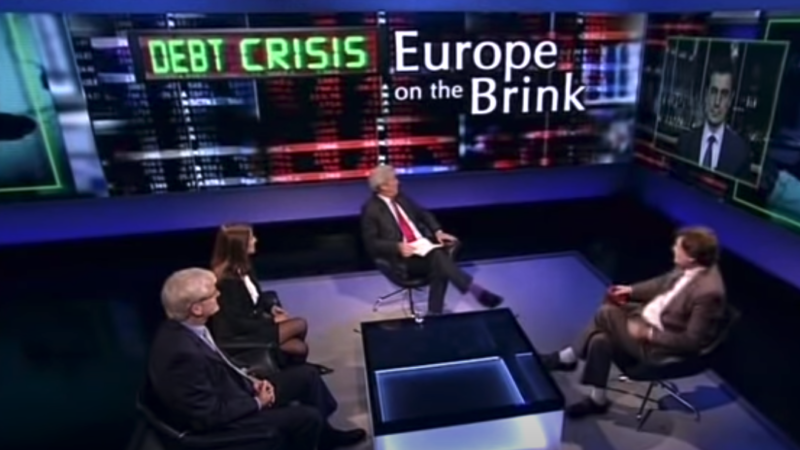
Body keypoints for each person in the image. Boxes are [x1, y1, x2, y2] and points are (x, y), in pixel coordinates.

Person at [148, 268, 366, 450]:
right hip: (224, 422)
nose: (218, 295)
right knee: (306, 418)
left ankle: (326, 436)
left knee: (307, 376)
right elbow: (209, 416)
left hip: (235, 392)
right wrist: (257, 402)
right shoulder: (183, 355)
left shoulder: (190, 327)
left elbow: (222, 365)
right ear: (196, 308)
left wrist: (252, 381)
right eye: (213, 293)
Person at [541, 226, 728, 419]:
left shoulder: (709, 293)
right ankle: (598, 400)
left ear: (691, 258)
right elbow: (661, 283)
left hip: (658, 346)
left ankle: (567, 358)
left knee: (606, 313)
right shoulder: (690, 266)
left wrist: (649, 334)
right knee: (600, 338)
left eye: (677, 247)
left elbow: (691, 341)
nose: (673, 249)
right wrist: (630, 290)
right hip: (645, 319)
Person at [360, 165, 503, 314]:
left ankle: (435, 312)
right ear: (383, 186)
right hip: (404, 257)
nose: (398, 182)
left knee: (440, 259)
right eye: (394, 179)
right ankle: (474, 291)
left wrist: (438, 232)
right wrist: (397, 247)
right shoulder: (371, 209)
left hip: (423, 246)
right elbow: (371, 243)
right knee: (439, 258)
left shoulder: (401, 197)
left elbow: (423, 214)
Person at [210, 223, 333, 374]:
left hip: (252, 327)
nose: (255, 240)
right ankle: (299, 371)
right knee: (300, 325)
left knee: (299, 347)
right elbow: (236, 322)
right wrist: (271, 321)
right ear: (239, 245)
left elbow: (254, 297)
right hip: (239, 336)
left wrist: (270, 307)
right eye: (251, 238)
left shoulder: (244, 269)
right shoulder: (226, 282)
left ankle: (299, 371)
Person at [675, 58, 751, 179]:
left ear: (730, 100)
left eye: (724, 94)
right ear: (706, 94)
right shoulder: (685, 142)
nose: (717, 102)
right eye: (714, 92)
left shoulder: (740, 153)